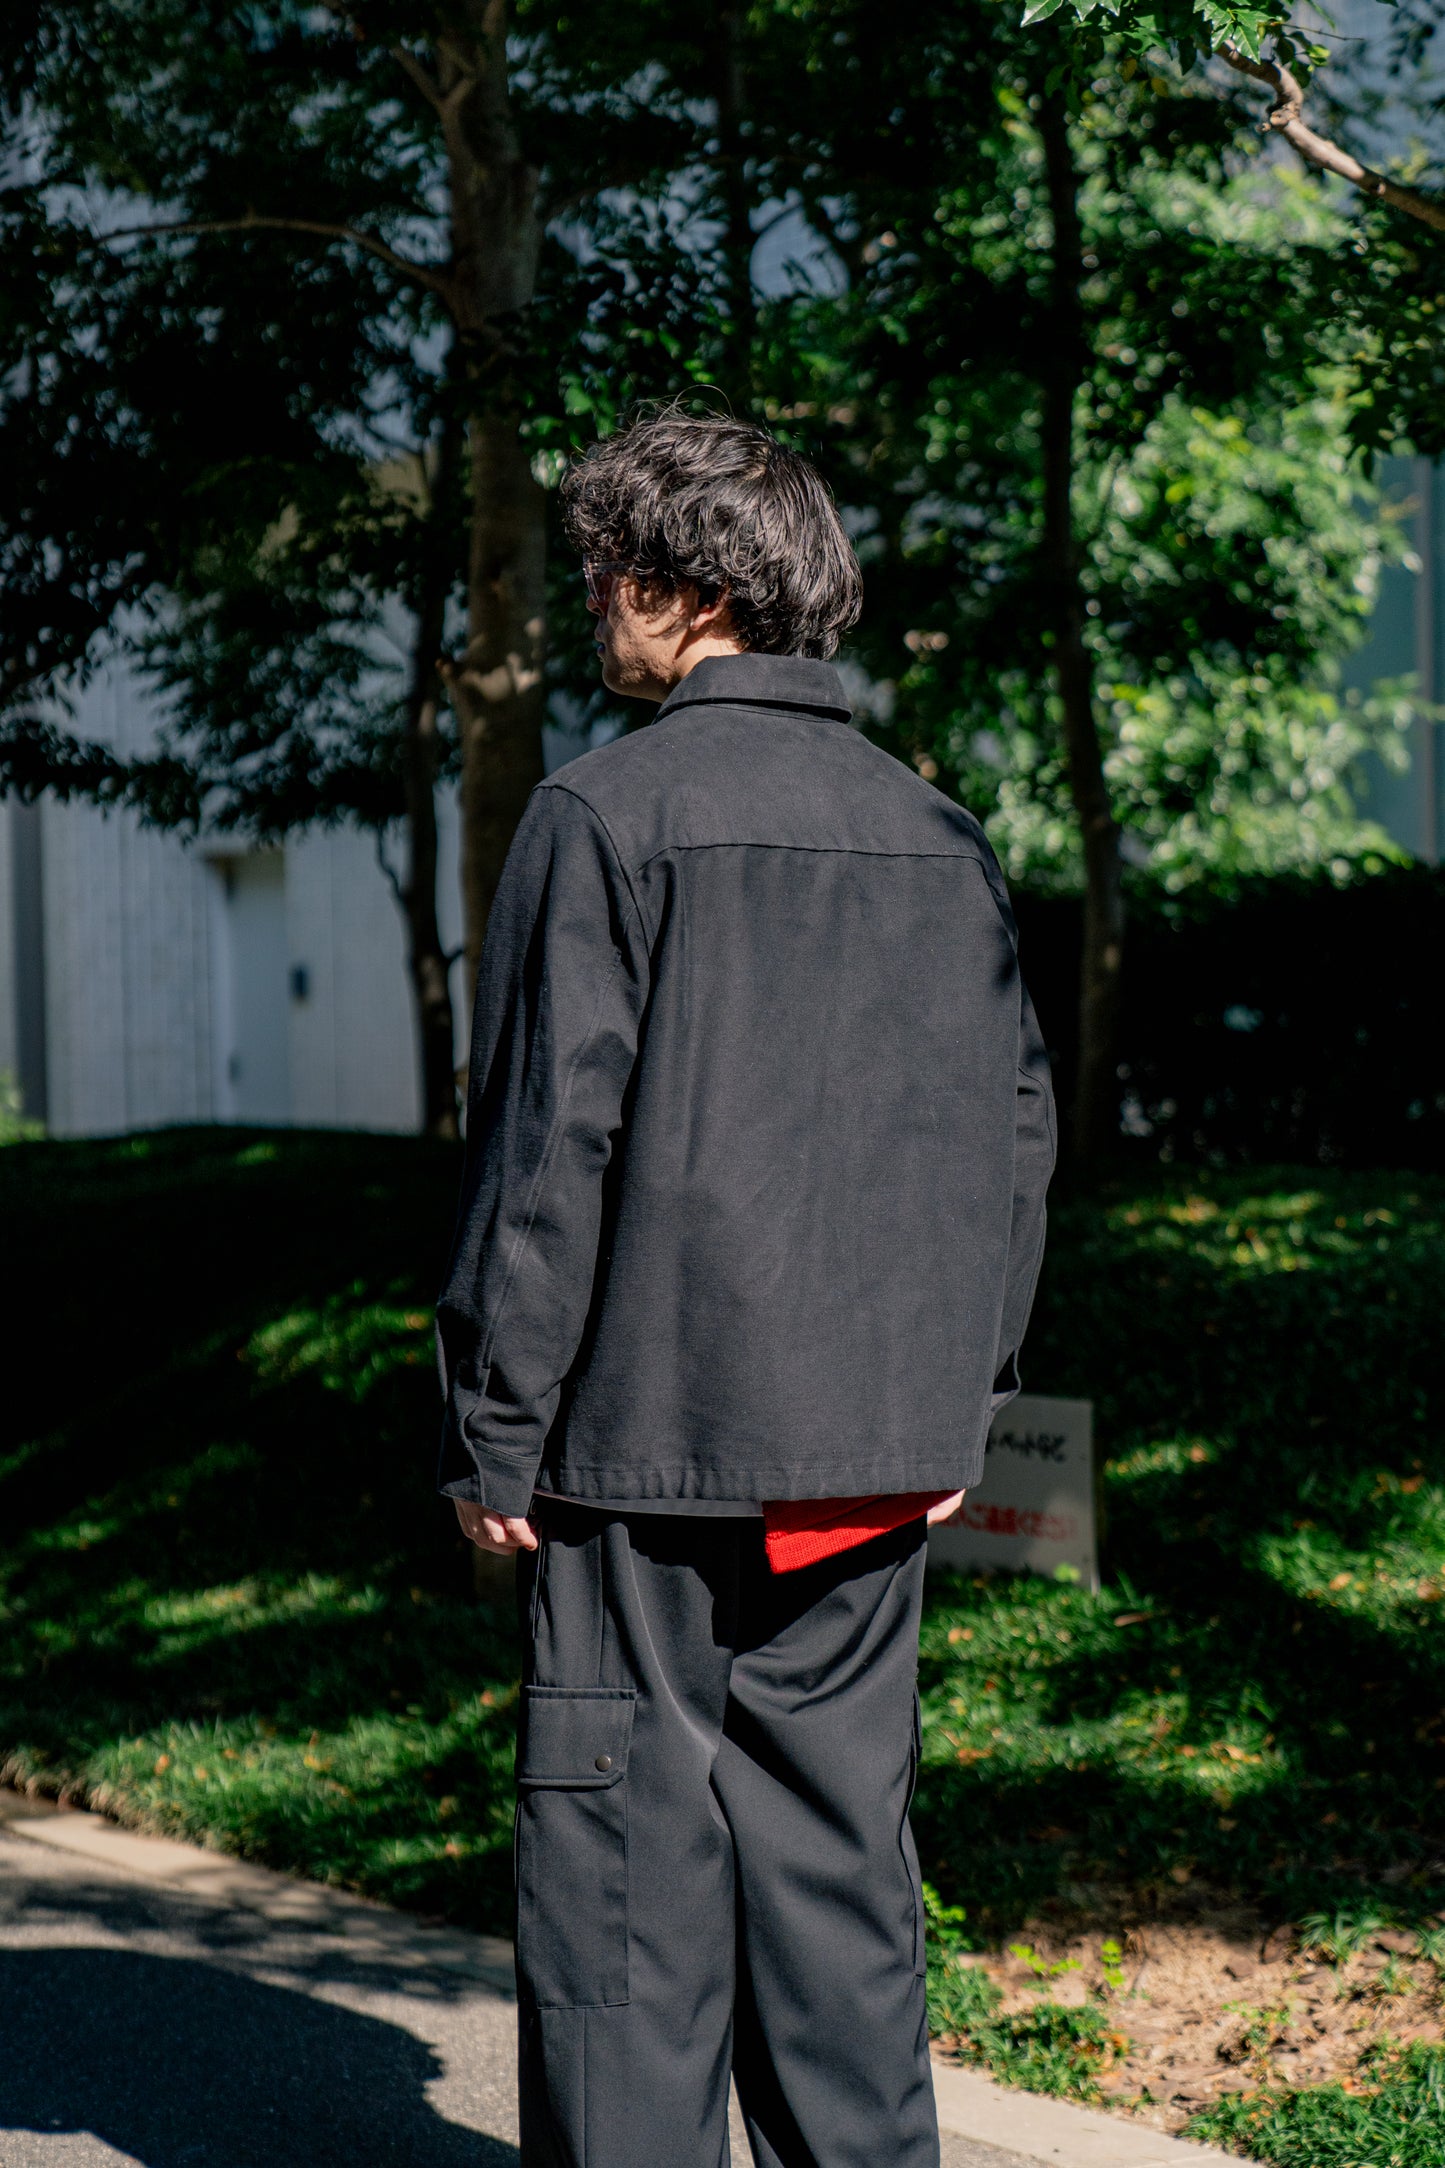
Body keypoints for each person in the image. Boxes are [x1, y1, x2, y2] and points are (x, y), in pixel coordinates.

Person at [436, 406, 1055, 2168]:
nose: (591, 608)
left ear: (686, 588)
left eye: (603, 577)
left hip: (641, 1455)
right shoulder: (939, 832)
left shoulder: (601, 813)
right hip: (869, 1460)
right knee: (840, 1887)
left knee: (621, 1896)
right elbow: (1014, 1140)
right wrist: (961, 1406)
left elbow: (545, 1153)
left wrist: (493, 1429)